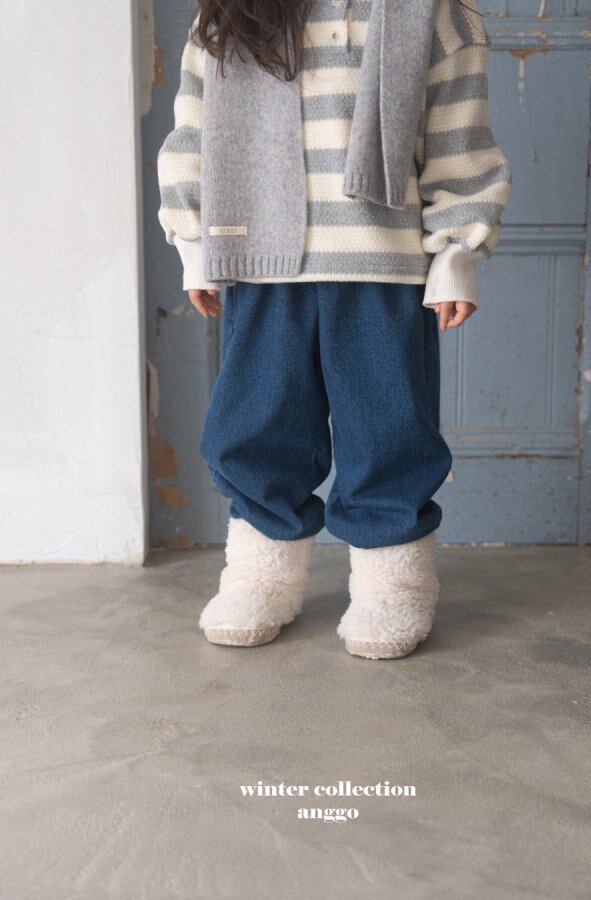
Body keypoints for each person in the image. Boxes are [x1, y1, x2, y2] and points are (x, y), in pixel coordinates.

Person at [157, 0, 511, 658]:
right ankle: (261, 577)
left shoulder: (432, 13)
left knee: (388, 430)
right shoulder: (230, 16)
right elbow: (192, 131)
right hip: (261, 263)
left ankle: (392, 585)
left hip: (384, 264)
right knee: (257, 425)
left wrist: (457, 252)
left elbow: (458, 138)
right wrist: (192, 241)